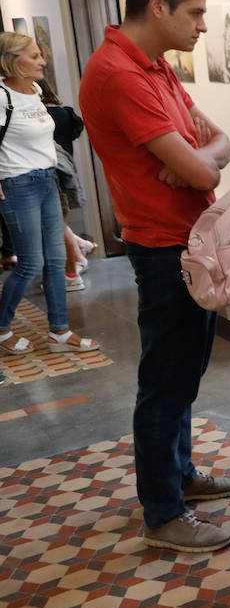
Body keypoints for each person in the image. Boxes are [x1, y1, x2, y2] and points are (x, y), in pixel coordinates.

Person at [79, 0, 230, 553]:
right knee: (165, 383)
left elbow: (216, 143)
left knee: (183, 374)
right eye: (195, 12)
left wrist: (202, 161)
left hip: (189, 238)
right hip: (161, 246)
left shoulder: (156, 68)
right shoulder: (119, 74)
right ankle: (163, 513)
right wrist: (198, 163)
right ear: (157, 6)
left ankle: (179, 477)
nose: (202, 25)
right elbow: (202, 161)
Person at [0, 32, 100, 361]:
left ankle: (59, 331)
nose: (42, 61)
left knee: (57, 262)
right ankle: (2, 329)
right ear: (12, 60)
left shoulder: (35, 91)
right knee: (31, 263)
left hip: (46, 182)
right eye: (34, 56)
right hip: (18, 184)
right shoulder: (1, 96)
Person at [37, 79, 97, 291]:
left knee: (55, 224)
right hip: (67, 171)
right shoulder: (65, 113)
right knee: (58, 221)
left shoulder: (40, 115)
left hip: (51, 171)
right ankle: (80, 251)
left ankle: (72, 270)